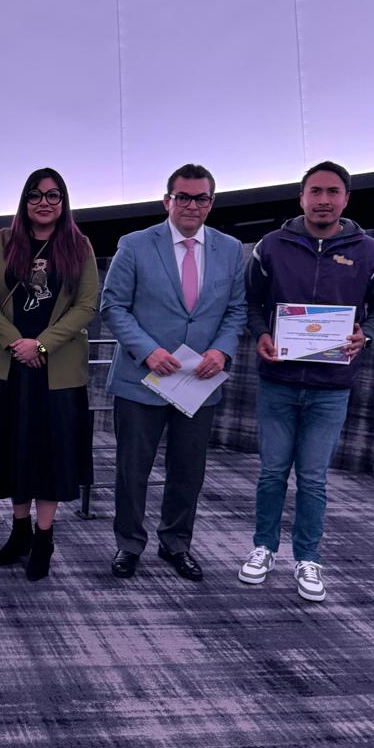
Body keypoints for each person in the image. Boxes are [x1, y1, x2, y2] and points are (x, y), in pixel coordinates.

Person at [100, 164, 246, 582]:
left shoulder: (230, 249)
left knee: (188, 472)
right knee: (132, 470)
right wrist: (148, 351)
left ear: (211, 203)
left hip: (199, 381)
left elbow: (236, 311)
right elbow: (112, 306)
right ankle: (129, 544)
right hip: (143, 379)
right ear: (167, 200)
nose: (191, 206)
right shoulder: (134, 244)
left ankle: (176, 543)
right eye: (183, 197)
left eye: (201, 198)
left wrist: (221, 350)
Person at [239, 161, 374, 602]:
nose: (323, 200)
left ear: (346, 199)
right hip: (278, 381)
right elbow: (251, 302)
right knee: (272, 473)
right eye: (315, 191)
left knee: (313, 479)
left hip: (331, 387)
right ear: (301, 197)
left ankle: (308, 558)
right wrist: (260, 333)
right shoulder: (271, 246)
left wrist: (367, 334)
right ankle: (264, 548)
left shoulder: (369, 251)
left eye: (332, 192)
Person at [0, 168, 98, 582]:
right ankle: (20, 529)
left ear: (64, 202)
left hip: (55, 370)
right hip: (9, 366)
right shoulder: (3, 241)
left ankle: (44, 537)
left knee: (51, 456)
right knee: (14, 451)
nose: (44, 202)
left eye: (53, 195)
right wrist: (15, 342)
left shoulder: (79, 245)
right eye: (35, 195)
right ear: (24, 201)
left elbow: (87, 305)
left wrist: (40, 344)